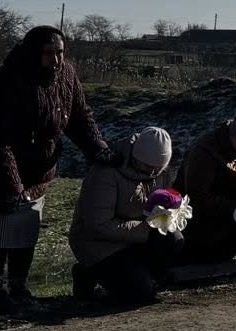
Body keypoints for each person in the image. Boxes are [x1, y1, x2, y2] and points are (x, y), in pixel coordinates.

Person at [0, 25, 111, 313]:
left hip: (36, 165)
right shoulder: (9, 80)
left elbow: (79, 117)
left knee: (26, 225)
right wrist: (13, 186)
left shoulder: (66, 75)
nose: (56, 60)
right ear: (34, 53)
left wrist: (98, 149)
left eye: (60, 52)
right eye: (49, 53)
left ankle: (19, 287)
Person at [68, 127, 181, 304]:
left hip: (135, 236)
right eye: (148, 167)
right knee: (141, 292)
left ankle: (145, 276)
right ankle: (89, 273)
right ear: (136, 157)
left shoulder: (161, 172)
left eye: (158, 169)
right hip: (99, 244)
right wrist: (147, 230)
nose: (152, 173)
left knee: (173, 238)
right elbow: (98, 225)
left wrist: (169, 215)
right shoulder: (107, 173)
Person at [176, 108, 236, 264]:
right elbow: (197, 196)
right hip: (198, 214)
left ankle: (221, 260)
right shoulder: (204, 151)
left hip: (232, 206)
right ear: (233, 135)